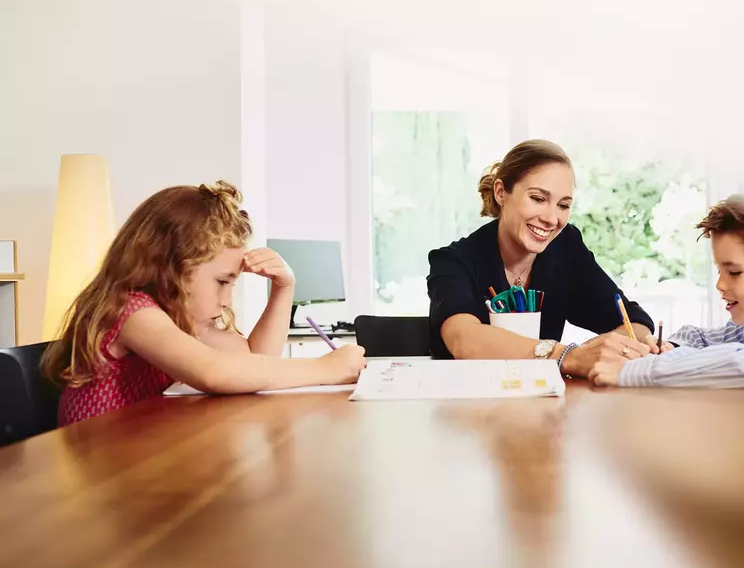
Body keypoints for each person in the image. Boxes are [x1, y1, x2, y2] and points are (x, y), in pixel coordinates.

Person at [41, 181, 367, 426]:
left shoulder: (176, 317)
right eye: (222, 282)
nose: (226, 301)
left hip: (138, 458)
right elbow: (214, 372)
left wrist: (284, 287)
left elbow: (255, 359)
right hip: (100, 475)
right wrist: (324, 368)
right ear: (171, 267)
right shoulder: (130, 311)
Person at [427, 139, 659, 378]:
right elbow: (463, 338)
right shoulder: (453, 261)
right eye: (538, 198)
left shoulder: (565, 249)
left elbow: (635, 323)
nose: (551, 218)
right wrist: (568, 356)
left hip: (542, 407)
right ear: (500, 193)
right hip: (467, 407)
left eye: (563, 205)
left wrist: (600, 352)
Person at [589, 186, 744, 399]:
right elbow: (699, 337)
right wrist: (671, 347)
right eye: (719, 271)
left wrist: (639, 371)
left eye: (734, 272)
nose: (720, 285)